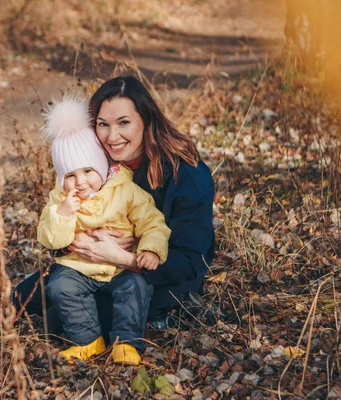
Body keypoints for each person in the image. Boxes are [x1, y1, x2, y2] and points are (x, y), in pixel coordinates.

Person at [14, 74, 215, 344]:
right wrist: (78, 242)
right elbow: (61, 221)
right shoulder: (94, 163)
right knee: (21, 297)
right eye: (103, 125)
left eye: (124, 123)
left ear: (146, 120)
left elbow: (191, 262)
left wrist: (123, 257)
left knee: (57, 322)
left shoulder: (188, 176)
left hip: (157, 278)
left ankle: (171, 315)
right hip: (90, 263)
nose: (112, 136)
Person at [37, 96, 171, 365]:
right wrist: (62, 214)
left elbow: (152, 222)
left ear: (102, 166)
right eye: (70, 175)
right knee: (60, 286)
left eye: (88, 170)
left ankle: (127, 343)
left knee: (135, 287)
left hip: (121, 269)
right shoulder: (59, 200)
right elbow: (49, 238)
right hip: (78, 267)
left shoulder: (126, 190)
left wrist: (151, 250)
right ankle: (87, 341)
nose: (80, 181)